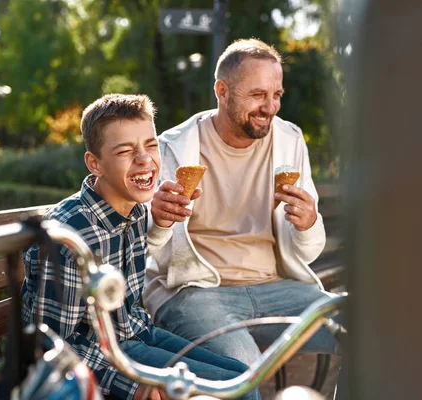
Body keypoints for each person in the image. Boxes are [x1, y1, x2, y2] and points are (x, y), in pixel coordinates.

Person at [20, 94, 260, 400]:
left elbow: (129, 311)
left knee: (241, 378)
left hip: (135, 333)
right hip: (103, 355)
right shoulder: (69, 237)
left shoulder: (134, 212)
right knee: (232, 393)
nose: (145, 159)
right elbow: (51, 347)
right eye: (125, 151)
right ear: (95, 164)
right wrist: (131, 386)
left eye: (151, 145)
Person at [144, 39, 341, 367]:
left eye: (276, 94)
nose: (271, 106)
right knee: (244, 365)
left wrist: (307, 224)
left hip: (275, 287)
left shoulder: (290, 140)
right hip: (195, 291)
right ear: (222, 91)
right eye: (257, 95)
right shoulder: (171, 147)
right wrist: (159, 220)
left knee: (365, 335)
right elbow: (151, 250)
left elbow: (307, 252)